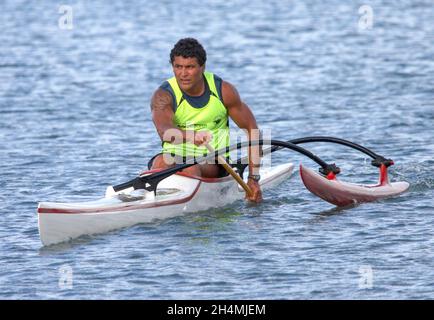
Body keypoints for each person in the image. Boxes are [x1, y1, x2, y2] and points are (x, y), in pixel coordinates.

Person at [150, 38, 262, 203]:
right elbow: (164, 131)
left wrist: (253, 178)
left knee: (190, 167)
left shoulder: (223, 91)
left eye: (190, 67)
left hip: (215, 161)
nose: (183, 73)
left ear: (202, 67)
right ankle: (160, 200)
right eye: (178, 67)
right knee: (160, 161)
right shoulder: (163, 95)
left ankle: (180, 208)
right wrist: (191, 136)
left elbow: (252, 129)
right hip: (173, 158)